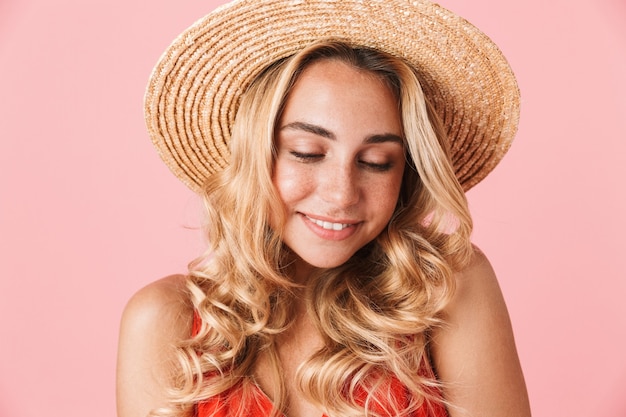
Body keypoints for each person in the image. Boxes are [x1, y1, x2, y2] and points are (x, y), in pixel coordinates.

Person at [116, 1, 531, 416]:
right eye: (308, 152)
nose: (342, 194)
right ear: (254, 154)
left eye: (376, 162)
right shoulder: (162, 321)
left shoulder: (445, 285)